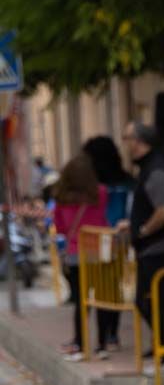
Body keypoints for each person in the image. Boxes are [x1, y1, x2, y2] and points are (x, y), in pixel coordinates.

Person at [119, 122, 164, 375]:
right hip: (151, 248)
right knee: (149, 301)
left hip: (160, 247)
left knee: (159, 302)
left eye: (127, 138)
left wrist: (143, 230)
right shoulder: (148, 167)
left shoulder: (155, 169)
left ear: (138, 141)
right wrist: (133, 224)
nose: (124, 144)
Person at [82, 135, 135, 353]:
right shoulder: (126, 181)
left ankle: (101, 339)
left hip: (95, 239)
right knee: (113, 288)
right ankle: (112, 334)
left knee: (98, 289)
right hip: (119, 240)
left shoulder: (91, 185)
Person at [52, 154, 107, 359]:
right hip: (99, 252)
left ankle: (81, 343)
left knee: (81, 301)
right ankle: (103, 344)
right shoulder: (100, 193)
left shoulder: (61, 198)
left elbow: (61, 228)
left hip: (75, 254)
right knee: (102, 299)